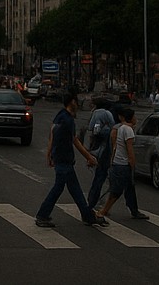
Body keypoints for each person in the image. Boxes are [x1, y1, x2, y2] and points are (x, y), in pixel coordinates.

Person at [35, 92, 104, 228]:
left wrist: (49, 154)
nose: (78, 105)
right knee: (58, 188)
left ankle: (87, 216)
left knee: (75, 190)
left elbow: (52, 134)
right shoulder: (67, 120)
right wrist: (89, 157)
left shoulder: (61, 116)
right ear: (72, 102)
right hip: (64, 159)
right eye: (76, 101)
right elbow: (75, 141)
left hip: (61, 159)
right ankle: (42, 215)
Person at [95, 107, 148, 221]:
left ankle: (134, 210)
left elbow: (115, 147)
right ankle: (102, 212)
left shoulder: (120, 128)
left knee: (129, 187)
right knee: (116, 191)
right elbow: (129, 149)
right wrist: (132, 163)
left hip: (117, 163)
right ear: (131, 118)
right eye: (134, 116)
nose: (136, 119)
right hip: (123, 164)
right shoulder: (128, 130)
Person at [84, 99, 116, 209]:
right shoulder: (107, 114)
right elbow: (112, 127)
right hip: (104, 150)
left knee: (98, 177)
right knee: (101, 178)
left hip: (95, 149)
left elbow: (91, 129)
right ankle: (95, 202)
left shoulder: (95, 113)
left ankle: (93, 200)